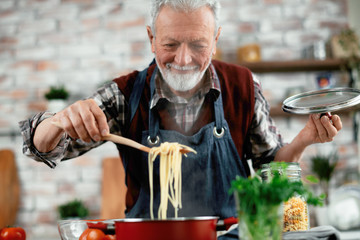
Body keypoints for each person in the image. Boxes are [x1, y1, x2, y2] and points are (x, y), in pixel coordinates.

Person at [19, 0, 342, 238]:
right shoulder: (124, 93)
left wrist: (304, 140)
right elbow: (41, 148)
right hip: (147, 235)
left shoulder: (242, 85)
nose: (184, 59)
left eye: (199, 45)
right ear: (151, 38)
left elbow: (272, 165)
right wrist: (58, 121)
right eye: (170, 44)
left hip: (228, 235)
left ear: (215, 40)